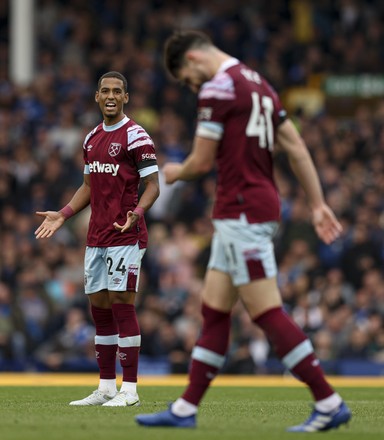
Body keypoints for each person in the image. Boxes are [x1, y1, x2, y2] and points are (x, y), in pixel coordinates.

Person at [135, 31, 351, 431]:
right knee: (215, 310)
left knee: (266, 311)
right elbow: (296, 146)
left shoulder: (217, 88)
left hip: (242, 211)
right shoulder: (259, 85)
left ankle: (328, 401)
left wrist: (175, 172)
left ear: (195, 58)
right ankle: (185, 409)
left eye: (187, 78)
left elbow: (200, 162)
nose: (192, 86)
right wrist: (318, 203)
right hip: (249, 209)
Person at [35, 71, 160, 407]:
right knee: (100, 309)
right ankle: (106, 387)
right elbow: (89, 187)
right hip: (96, 236)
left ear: (126, 97)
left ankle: (130, 390)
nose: (110, 96)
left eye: (117, 91)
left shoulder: (136, 136)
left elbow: (154, 186)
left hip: (126, 233)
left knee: (122, 303)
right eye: (105, 90)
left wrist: (138, 212)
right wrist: (63, 214)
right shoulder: (90, 138)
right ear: (96, 96)